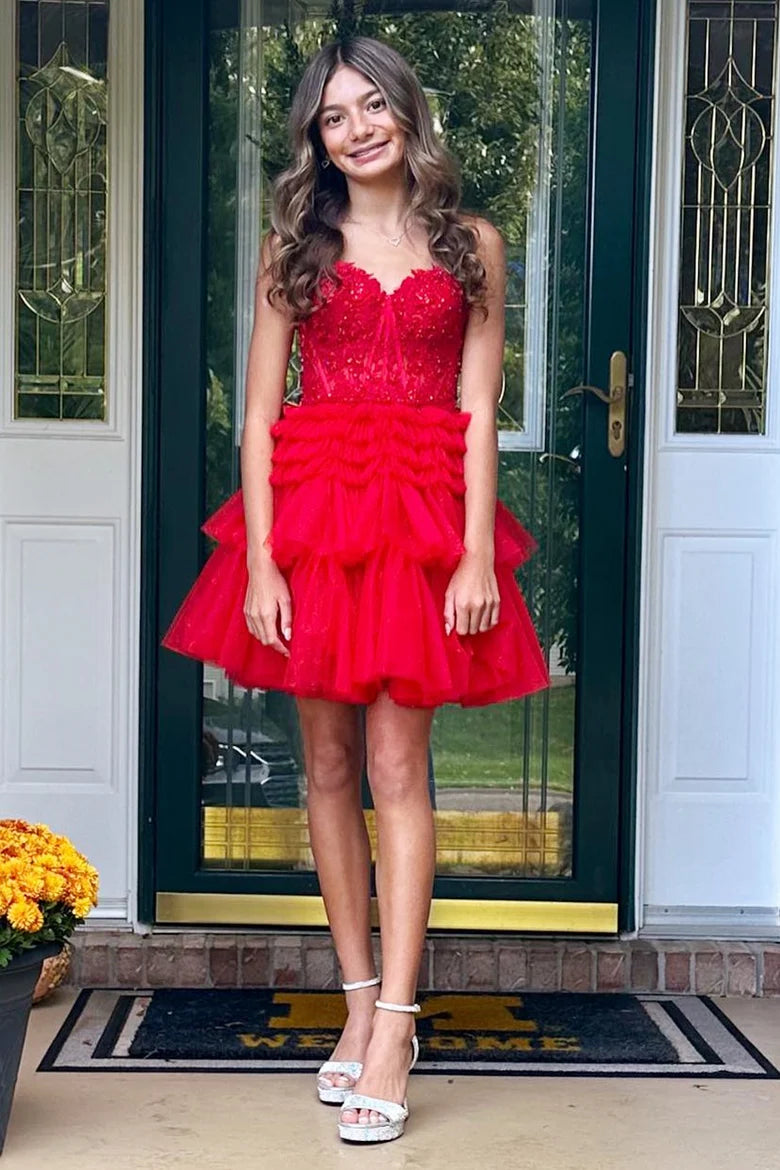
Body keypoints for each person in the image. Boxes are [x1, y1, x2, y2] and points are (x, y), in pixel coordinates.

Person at [161, 34, 549, 1144]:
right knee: (326, 765)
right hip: (315, 518)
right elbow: (253, 416)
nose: (359, 126)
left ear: (405, 111)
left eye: (373, 104)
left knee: (396, 765)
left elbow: (477, 411)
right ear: (316, 138)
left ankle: (399, 1024)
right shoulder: (297, 244)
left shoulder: (472, 244)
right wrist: (265, 560)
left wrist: (476, 552)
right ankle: (353, 1001)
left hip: (423, 522)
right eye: (336, 115)